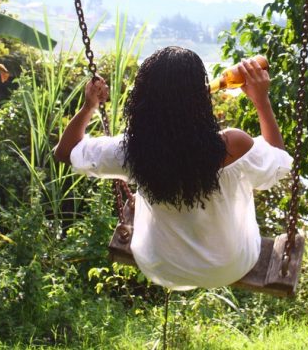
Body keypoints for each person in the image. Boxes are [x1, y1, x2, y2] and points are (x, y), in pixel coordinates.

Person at [54, 46, 292, 290]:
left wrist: (88, 107)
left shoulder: (132, 151)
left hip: (160, 265)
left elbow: (64, 152)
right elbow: (280, 162)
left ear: (143, 100)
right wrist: (261, 101)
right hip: (228, 267)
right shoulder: (232, 146)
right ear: (199, 96)